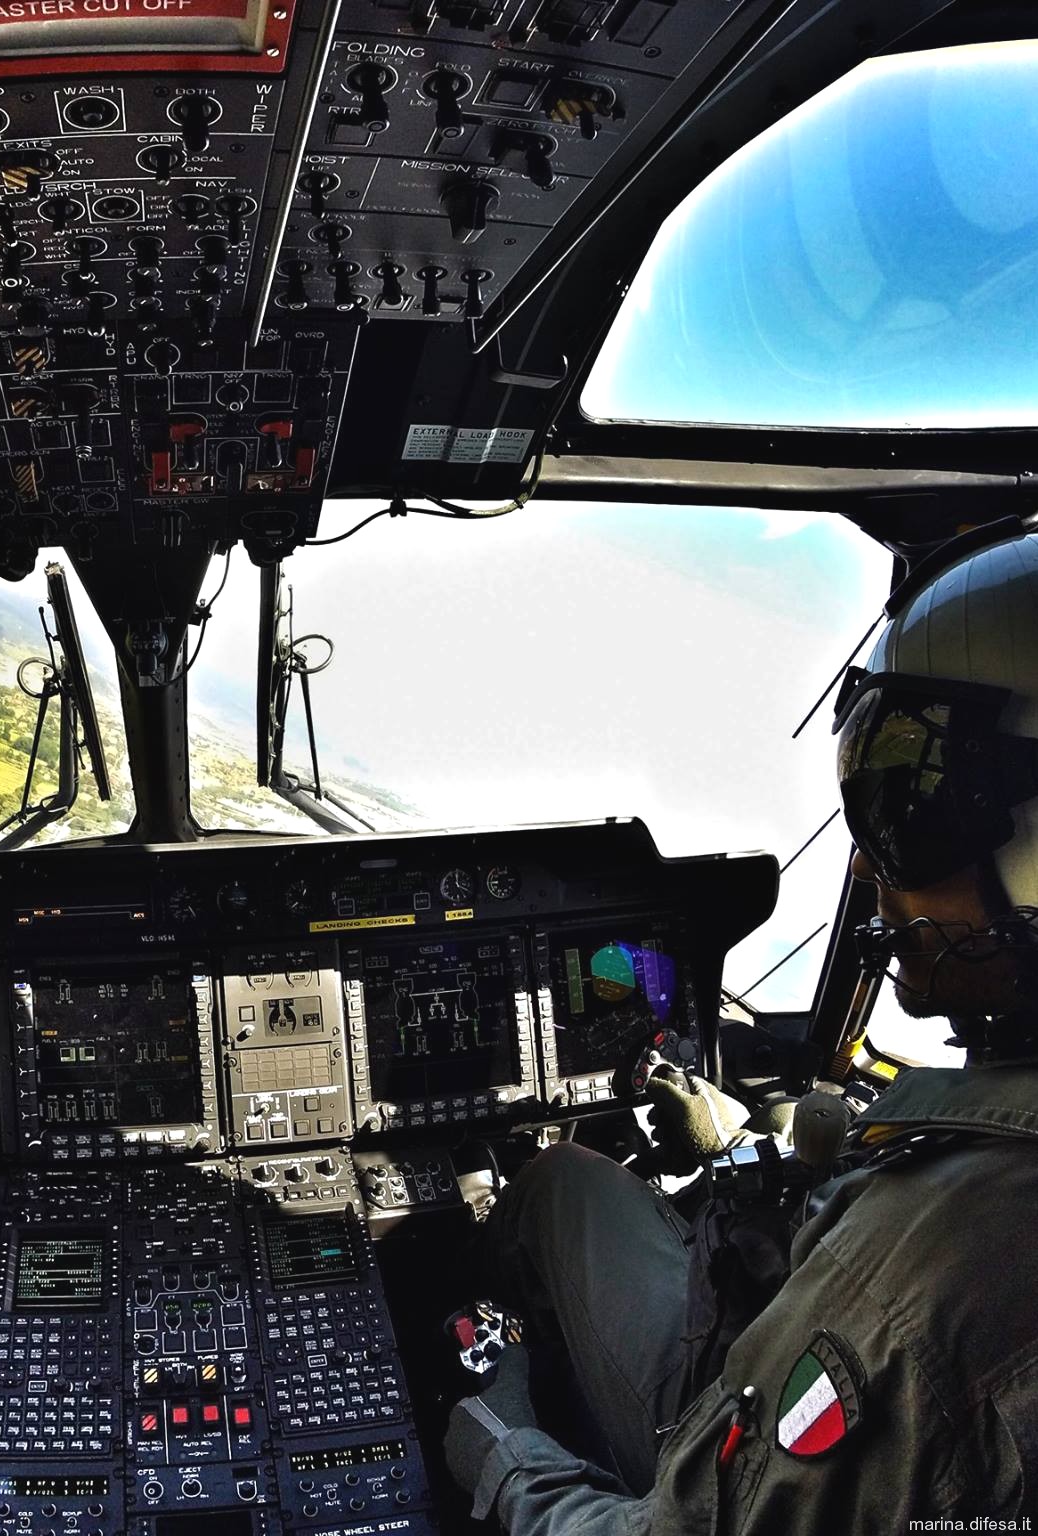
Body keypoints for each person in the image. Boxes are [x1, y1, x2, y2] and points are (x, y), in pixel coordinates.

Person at [444, 527, 1038, 1531]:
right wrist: (742, 1146)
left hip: (733, 1428)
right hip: (800, 1359)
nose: (863, 869)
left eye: (901, 807)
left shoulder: (930, 1265)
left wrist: (502, 1448)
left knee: (554, 1183)